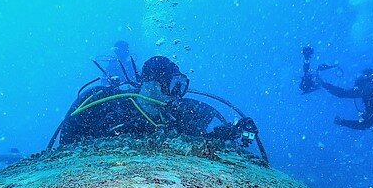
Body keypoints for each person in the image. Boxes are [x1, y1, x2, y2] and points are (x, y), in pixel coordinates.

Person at [57, 55, 258, 148]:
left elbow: (199, 141)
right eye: (173, 85)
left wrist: (230, 131)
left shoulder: (174, 118)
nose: (177, 94)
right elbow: (69, 143)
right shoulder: (109, 107)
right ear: (151, 83)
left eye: (181, 86)